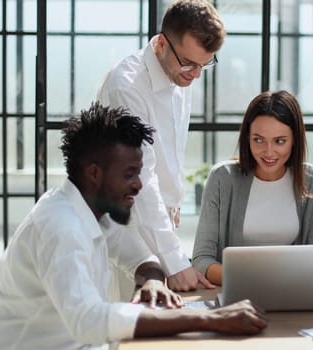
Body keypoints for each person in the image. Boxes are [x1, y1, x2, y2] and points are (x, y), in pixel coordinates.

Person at [0, 103, 267, 350]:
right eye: (130, 173)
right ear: (94, 173)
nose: (139, 184)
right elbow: (88, 320)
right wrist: (210, 318)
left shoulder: (91, 210)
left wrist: (155, 281)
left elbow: (140, 257)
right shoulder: (61, 227)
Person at [97, 0, 226, 292]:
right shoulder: (127, 86)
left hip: (158, 220)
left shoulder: (181, 75)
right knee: (130, 326)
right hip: (127, 226)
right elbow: (140, 175)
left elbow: (169, 148)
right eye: (189, 63)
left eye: (205, 65)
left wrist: (173, 202)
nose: (195, 75)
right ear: (160, 45)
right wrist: (175, 260)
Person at [192, 90, 313, 285]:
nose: (269, 152)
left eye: (280, 141)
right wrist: (253, 281)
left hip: (293, 291)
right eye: (258, 140)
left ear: (295, 140)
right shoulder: (223, 178)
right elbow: (201, 261)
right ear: (247, 138)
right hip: (236, 293)